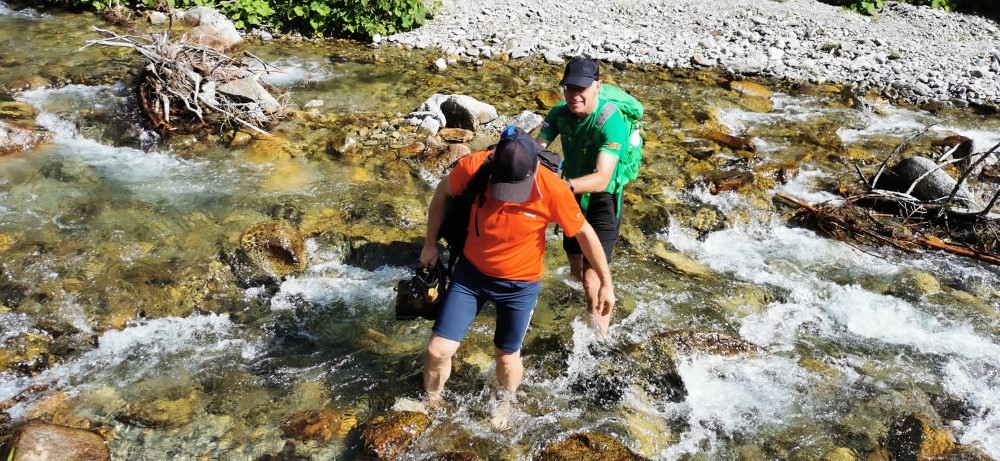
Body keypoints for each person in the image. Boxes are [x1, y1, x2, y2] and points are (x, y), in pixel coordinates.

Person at [418, 128, 615, 424]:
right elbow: (442, 193)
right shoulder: (474, 167)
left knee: (506, 357)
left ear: (533, 170)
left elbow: (585, 233)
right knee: (437, 350)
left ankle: (505, 403)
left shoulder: (552, 188)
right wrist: (429, 243)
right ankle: (432, 404)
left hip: (519, 286)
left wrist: (606, 284)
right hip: (470, 276)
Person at [536, 57, 631, 338]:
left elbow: (602, 178)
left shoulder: (611, 122)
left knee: (592, 279)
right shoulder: (559, 113)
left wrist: (559, 187)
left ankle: (598, 341)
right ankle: (582, 301)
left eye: (582, 89)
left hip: (603, 200)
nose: (574, 95)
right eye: (569, 88)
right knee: (575, 262)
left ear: (597, 86)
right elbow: (536, 151)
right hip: (571, 196)